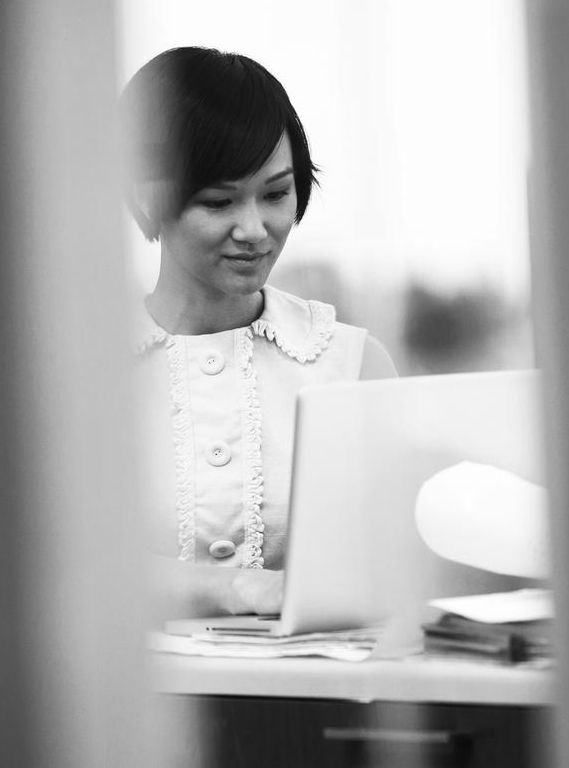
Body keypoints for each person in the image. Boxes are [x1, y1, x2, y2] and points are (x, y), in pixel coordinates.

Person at [122, 47, 397, 617]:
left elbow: (396, 555)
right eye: (219, 201)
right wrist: (237, 588)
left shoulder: (350, 363)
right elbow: (67, 568)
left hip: (318, 701)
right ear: (149, 198)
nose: (255, 229)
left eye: (275, 193)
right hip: (140, 706)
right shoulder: (88, 370)